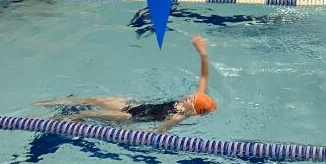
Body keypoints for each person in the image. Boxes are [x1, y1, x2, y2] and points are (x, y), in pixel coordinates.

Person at [35, 35, 216, 132]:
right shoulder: (194, 103)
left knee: (85, 114)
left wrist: (138, 131)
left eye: (193, 99)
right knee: (91, 99)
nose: (191, 95)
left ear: (195, 109)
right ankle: (47, 103)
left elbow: (158, 131)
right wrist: (203, 54)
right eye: (194, 95)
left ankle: (46, 122)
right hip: (133, 106)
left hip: (131, 118)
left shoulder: (179, 116)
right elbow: (204, 80)